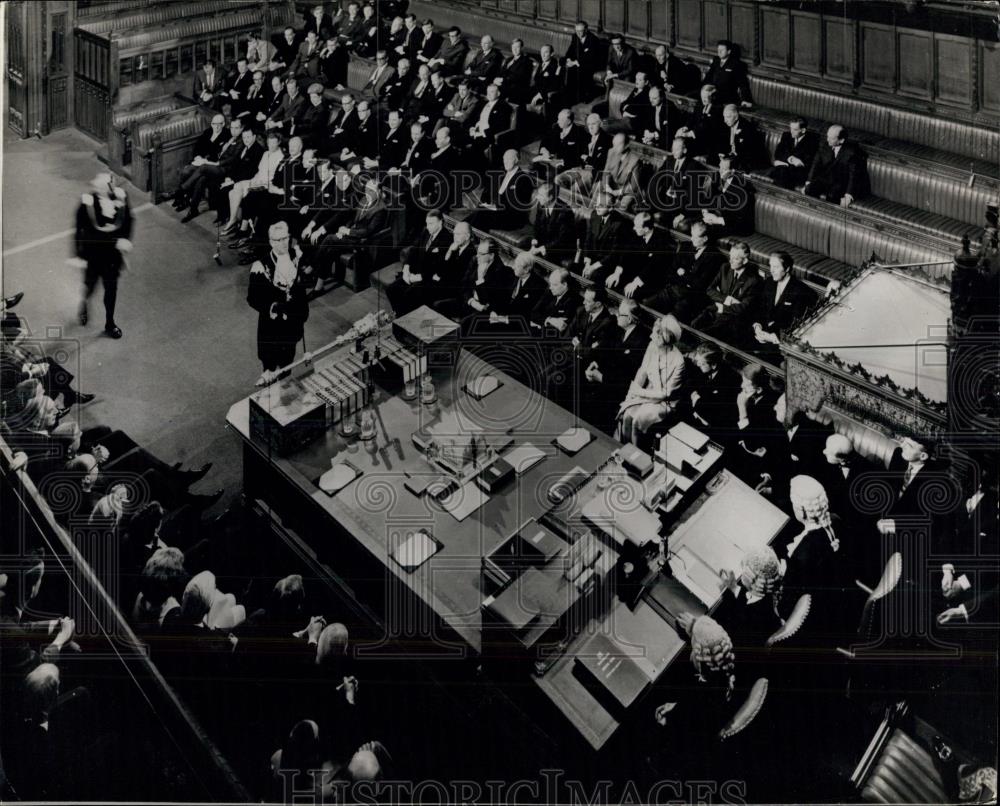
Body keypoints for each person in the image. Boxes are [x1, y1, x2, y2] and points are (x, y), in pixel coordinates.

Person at [70, 172, 133, 339]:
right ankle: (84, 304)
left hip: (112, 257)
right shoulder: (87, 204)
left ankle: (110, 323)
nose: (112, 189)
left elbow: (128, 220)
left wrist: (126, 239)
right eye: (107, 186)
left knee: (111, 290)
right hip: (94, 255)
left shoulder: (121, 197)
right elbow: (82, 231)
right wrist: (77, 253)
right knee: (90, 286)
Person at [247, 222, 310, 385]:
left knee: (287, 361)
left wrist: (301, 311)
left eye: (285, 238)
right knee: (269, 366)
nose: (283, 243)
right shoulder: (260, 265)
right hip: (271, 325)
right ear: (271, 242)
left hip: (292, 322)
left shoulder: (296, 255)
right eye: (278, 240)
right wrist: (272, 307)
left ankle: (285, 390)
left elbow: (301, 287)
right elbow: (252, 298)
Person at [616, 315, 685, 445]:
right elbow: (642, 371)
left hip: (665, 403)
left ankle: (637, 456)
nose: (651, 336)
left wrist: (639, 392)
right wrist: (630, 395)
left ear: (663, 338)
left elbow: (665, 394)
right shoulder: (652, 345)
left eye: (654, 334)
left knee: (638, 419)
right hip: (648, 392)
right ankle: (624, 448)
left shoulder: (678, 361)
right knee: (626, 415)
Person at [691, 241, 762, 342]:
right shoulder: (725, 267)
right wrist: (726, 299)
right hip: (715, 308)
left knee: (706, 335)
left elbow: (744, 307)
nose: (731, 261)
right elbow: (710, 289)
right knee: (694, 325)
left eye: (735, 259)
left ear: (745, 260)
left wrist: (723, 308)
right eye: (730, 256)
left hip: (732, 318)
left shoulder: (753, 280)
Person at [751, 251, 817, 357]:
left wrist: (772, 337)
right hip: (761, 333)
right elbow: (760, 308)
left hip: (780, 342)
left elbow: (795, 323)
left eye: (776, 267)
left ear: (787, 269)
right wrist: (757, 326)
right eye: (770, 266)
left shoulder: (800, 291)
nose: (771, 270)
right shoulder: (769, 283)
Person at [385, 209, 450, 316]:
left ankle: (404, 319)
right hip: (414, 273)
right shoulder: (426, 231)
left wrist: (418, 277)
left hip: (429, 279)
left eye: (431, 223)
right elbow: (413, 250)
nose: (428, 226)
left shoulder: (447, 239)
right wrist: (406, 268)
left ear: (440, 223)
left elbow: (439, 266)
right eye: (427, 223)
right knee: (391, 290)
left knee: (408, 296)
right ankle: (399, 316)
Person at [603, 211, 672, 301]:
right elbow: (626, 253)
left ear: (646, 229)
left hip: (648, 278)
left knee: (631, 293)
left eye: (637, 226)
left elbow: (652, 267)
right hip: (635, 272)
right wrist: (617, 273)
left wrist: (635, 283)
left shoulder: (662, 241)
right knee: (610, 281)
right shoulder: (636, 233)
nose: (634, 228)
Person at [466, 148, 534, 232]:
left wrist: (496, 207)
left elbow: (518, 204)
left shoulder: (524, 179)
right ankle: (462, 229)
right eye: (504, 159)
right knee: (477, 212)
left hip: (511, 217)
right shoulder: (501, 173)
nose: (505, 161)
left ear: (516, 160)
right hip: (496, 211)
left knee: (481, 214)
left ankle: (467, 235)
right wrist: (485, 202)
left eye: (509, 159)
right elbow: (488, 191)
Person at [802, 125, 870, 207]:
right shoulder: (825, 145)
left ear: (841, 140)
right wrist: (808, 181)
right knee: (809, 189)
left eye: (831, 138)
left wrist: (848, 194)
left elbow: (853, 175)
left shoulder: (852, 152)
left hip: (842, 182)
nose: (828, 140)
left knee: (832, 195)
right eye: (828, 136)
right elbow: (815, 164)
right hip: (827, 178)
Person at [688, 342, 740, 444]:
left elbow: (717, 414)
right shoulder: (702, 367)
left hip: (715, 428)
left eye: (701, 363)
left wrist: (696, 400)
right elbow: (691, 383)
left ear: (714, 365)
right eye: (698, 361)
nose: (698, 364)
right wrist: (695, 395)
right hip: (697, 416)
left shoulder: (730, 381)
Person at [555, 112, 611, 200]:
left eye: (593, 124)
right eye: (589, 124)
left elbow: (602, 163)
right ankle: (565, 203)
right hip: (580, 169)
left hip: (592, 173)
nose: (591, 127)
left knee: (574, 189)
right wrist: (565, 162)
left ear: (600, 124)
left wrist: (587, 158)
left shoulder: (607, 140)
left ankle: (573, 208)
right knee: (558, 179)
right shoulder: (587, 137)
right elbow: (578, 154)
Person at [768, 117, 819, 190]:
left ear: (803, 130)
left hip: (798, 173)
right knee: (782, 173)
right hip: (783, 169)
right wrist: (790, 159)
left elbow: (806, 161)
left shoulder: (812, 141)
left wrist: (783, 162)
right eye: (790, 128)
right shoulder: (786, 135)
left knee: (781, 174)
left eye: (795, 129)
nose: (791, 131)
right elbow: (778, 152)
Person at [563, 21, 604, 103]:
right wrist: (569, 60)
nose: (579, 34)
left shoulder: (593, 39)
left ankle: (584, 96)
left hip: (592, 63)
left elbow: (591, 57)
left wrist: (575, 62)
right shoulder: (575, 37)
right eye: (577, 31)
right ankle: (571, 95)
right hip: (579, 62)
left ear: (586, 30)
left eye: (581, 31)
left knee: (581, 69)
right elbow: (570, 51)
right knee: (567, 66)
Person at [703, 40, 752, 106]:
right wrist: (703, 87)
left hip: (728, 96)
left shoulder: (736, 64)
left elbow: (743, 84)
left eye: (722, 50)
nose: (719, 52)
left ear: (729, 51)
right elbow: (708, 77)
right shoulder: (716, 61)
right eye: (718, 49)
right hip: (713, 92)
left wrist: (745, 100)